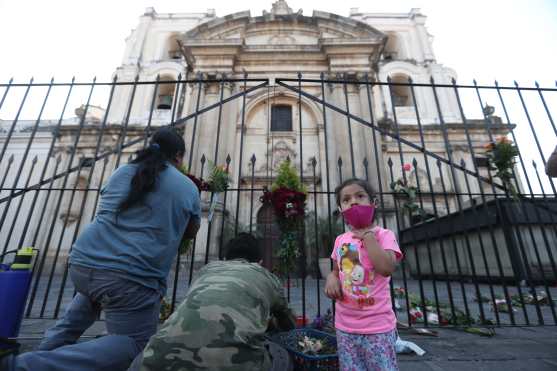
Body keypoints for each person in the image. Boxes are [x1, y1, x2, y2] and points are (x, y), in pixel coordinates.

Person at [4, 126, 201, 371]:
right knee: (134, 345)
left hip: (84, 262)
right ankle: (24, 366)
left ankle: (44, 351)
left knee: (82, 309)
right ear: (179, 156)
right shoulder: (187, 186)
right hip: (130, 277)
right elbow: (190, 232)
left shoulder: (123, 171)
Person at [129, 232, 296, 371]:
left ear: (224, 258)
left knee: (142, 358)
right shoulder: (265, 275)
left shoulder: (206, 270)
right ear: (259, 262)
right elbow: (286, 320)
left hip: (158, 360)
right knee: (280, 352)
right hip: (238, 364)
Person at [324, 178, 403, 371]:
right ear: (341, 209)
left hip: (377, 326)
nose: (353, 202)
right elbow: (336, 270)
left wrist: (368, 236)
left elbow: (386, 268)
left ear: (373, 203)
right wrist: (331, 279)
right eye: (346, 199)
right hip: (345, 325)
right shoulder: (340, 240)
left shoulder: (384, 235)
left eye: (360, 196)